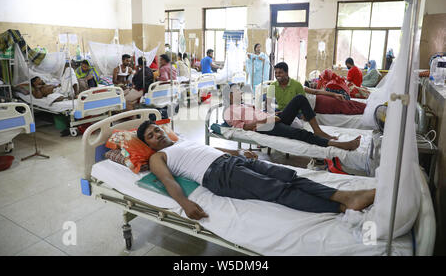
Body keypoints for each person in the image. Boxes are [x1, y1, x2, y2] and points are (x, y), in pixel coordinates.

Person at [138, 121, 376, 220]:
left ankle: (343, 195)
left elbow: (211, 150)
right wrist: (185, 204)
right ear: (147, 144)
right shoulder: (158, 158)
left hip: (230, 162)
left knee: (288, 175)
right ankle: (341, 206)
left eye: (156, 130)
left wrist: (238, 153)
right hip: (219, 176)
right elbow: (169, 181)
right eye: (151, 136)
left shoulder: (179, 140)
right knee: (277, 189)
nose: (157, 135)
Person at [224, 84, 361, 151]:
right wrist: (268, 120)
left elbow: (257, 114)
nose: (241, 93)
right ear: (229, 95)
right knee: (298, 133)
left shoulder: (244, 104)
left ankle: (318, 130)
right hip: (262, 126)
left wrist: (272, 115)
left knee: (300, 98)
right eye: (237, 91)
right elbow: (245, 126)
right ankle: (338, 145)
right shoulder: (229, 111)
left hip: (272, 119)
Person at [270, 62, 346, 112]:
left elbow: (315, 92)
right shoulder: (272, 86)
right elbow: (268, 105)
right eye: (276, 73)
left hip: (295, 113)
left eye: (280, 73)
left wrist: (334, 94)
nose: (277, 75)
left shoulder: (296, 85)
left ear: (287, 73)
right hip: (280, 111)